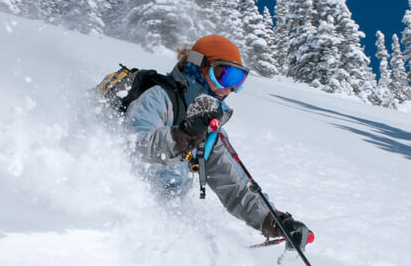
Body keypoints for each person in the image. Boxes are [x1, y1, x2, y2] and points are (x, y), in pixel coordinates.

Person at [124, 34, 309, 246]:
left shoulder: (209, 130)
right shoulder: (159, 98)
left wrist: (274, 221)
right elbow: (130, 147)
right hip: (121, 211)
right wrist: (181, 136)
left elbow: (235, 186)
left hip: (159, 223)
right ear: (198, 66)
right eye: (225, 75)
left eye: (237, 81)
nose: (229, 89)